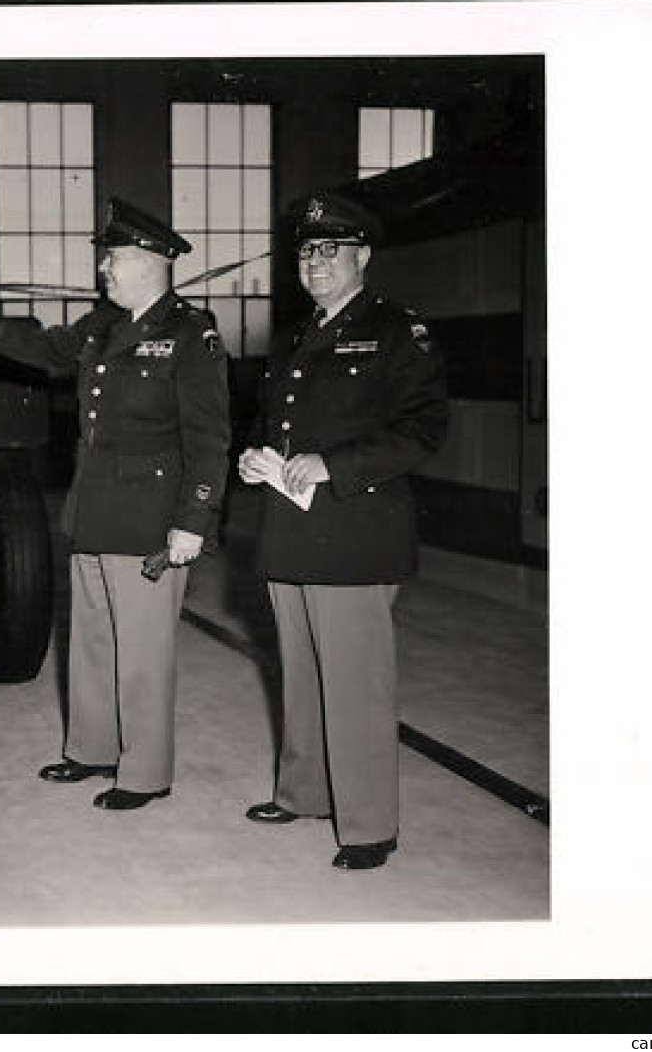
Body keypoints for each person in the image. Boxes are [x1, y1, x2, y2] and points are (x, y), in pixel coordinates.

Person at [0, 198, 231, 811]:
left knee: (143, 653)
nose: (105, 269)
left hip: (150, 518)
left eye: (114, 258)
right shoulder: (101, 326)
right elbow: (42, 349)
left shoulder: (189, 334)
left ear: (152, 261)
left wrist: (193, 521)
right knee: (92, 640)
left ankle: (146, 772)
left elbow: (209, 437)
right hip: (94, 509)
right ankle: (92, 748)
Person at [236, 191, 447, 869]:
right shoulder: (296, 335)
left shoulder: (396, 329)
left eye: (330, 249)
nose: (315, 261)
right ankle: (303, 792)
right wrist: (252, 454)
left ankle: (368, 824)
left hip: (356, 531)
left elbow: (423, 430)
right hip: (291, 530)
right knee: (299, 672)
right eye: (306, 250)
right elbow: (280, 423)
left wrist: (334, 464)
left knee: (355, 682)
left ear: (363, 256)